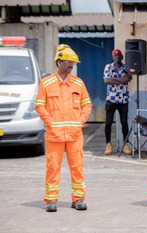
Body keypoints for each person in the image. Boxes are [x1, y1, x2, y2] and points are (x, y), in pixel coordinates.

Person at [35, 44, 92, 212]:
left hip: (75, 135)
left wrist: (81, 121)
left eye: (73, 63)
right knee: (53, 167)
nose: (72, 65)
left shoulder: (78, 84)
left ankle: (78, 199)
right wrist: (50, 122)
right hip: (55, 135)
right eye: (69, 62)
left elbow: (87, 105)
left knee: (77, 168)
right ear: (59, 61)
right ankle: (51, 200)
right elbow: (39, 106)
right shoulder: (46, 83)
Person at [103, 49, 133, 155]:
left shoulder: (127, 67)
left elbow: (128, 79)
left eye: (119, 55)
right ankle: (108, 144)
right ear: (112, 57)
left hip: (123, 100)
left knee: (124, 122)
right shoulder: (108, 67)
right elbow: (106, 81)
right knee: (108, 123)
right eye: (115, 55)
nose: (117, 57)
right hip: (111, 99)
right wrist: (121, 80)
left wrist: (114, 80)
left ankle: (126, 145)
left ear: (122, 57)